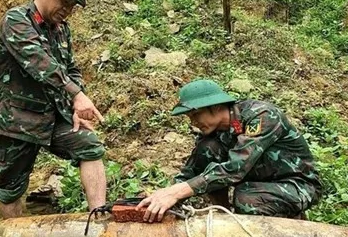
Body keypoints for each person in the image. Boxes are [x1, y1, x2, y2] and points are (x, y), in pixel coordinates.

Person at [0, 0, 107, 218]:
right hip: (15, 122)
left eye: (72, 6)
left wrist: (75, 104)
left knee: (89, 144)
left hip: (51, 118)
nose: (67, 11)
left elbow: (71, 69)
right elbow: (39, 62)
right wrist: (76, 94)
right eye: (63, 2)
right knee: (12, 189)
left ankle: (98, 217)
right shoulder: (16, 20)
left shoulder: (62, 29)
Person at [136, 79, 322, 222]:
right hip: (256, 184)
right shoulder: (214, 133)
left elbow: (235, 168)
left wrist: (177, 192)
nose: (192, 122)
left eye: (195, 114)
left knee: (247, 198)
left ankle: (289, 230)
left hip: (297, 185)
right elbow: (191, 172)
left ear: (216, 106)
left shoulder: (261, 116)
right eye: (189, 117)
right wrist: (163, 194)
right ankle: (224, 217)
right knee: (207, 150)